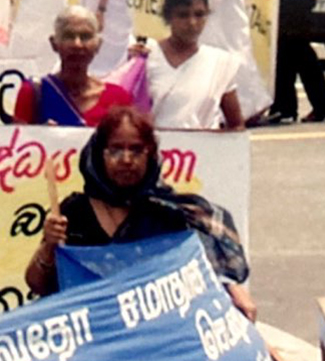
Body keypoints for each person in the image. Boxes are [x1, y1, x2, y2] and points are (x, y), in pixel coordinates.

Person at [24, 105, 254, 319]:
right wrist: (49, 246)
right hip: (91, 335)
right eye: (115, 150)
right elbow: (38, 285)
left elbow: (200, 275)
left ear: (151, 155)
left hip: (154, 337)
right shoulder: (73, 212)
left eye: (136, 150)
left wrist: (230, 288)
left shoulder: (168, 215)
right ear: (98, 154)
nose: (126, 160)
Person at [142, 0, 244, 130]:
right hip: (156, 149)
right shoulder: (147, 56)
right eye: (183, 15)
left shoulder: (219, 63)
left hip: (202, 150)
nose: (192, 23)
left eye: (199, 14)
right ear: (169, 16)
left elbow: (236, 126)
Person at [12, 6, 138, 127]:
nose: (77, 44)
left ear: (98, 45)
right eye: (68, 36)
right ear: (54, 43)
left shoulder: (117, 98)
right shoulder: (34, 92)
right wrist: (42, 136)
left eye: (85, 37)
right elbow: (16, 143)